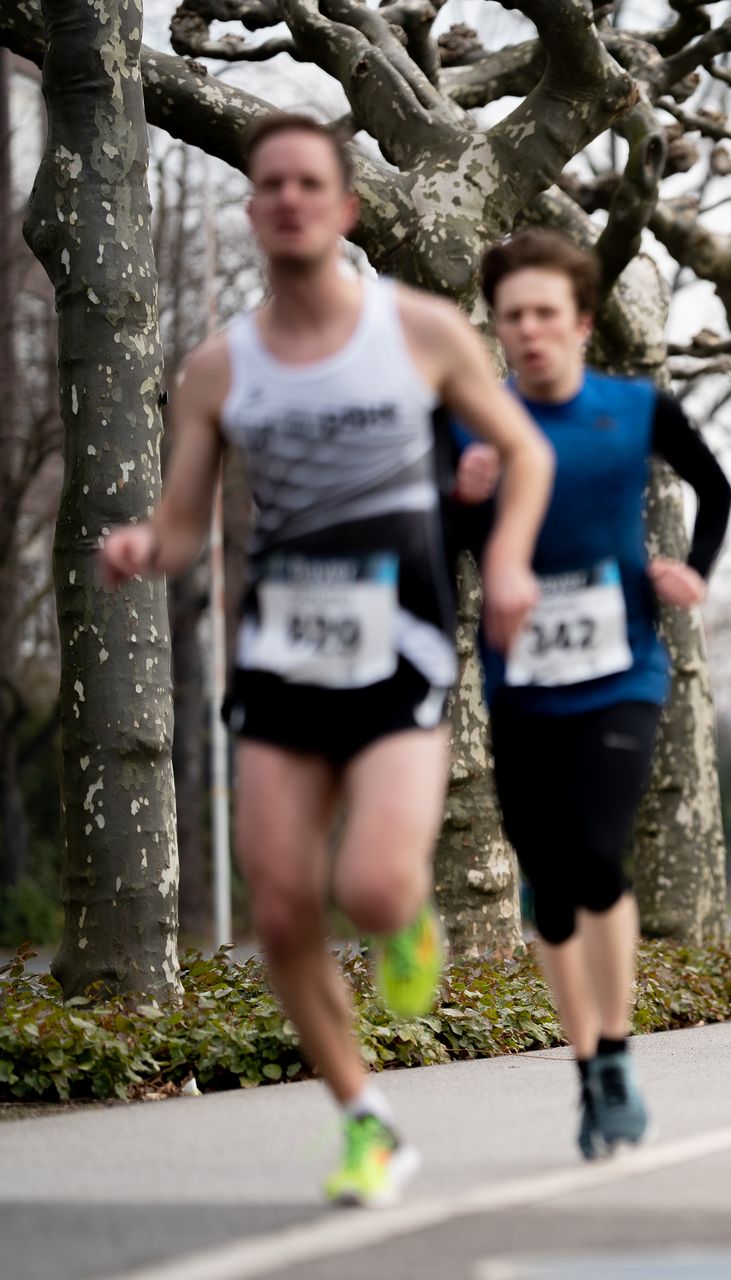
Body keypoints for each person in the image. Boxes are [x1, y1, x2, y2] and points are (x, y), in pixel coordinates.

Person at [98, 115, 554, 1206]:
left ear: (344, 209)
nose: (290, 199)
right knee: (285, 906)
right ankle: (365, 1118)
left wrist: (512, 566)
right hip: (281, 651)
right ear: (253, 211)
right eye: (271, 185)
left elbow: (526, 449)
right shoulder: (217, 366)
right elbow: (182, 522)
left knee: (374, 881)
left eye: (311, 183)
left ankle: (407, 917)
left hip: (396, 641)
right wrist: (140, 547)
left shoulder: (422, 329)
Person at [450, 231, 731, 1159]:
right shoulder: (469, 420)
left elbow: (715, 485)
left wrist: (692, 570)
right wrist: (462, 497)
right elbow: (427, 534)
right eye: (512, 317)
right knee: (552, 892)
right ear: (498, 328)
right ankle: (587, 1068)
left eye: (545, 316)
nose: (529, 332)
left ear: (578, 324)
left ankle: (615, 1054)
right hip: (520, 679)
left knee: (598, 856)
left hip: (622, 670)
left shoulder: (633, 407)